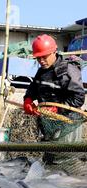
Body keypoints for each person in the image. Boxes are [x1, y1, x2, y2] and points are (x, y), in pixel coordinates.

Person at [23, 34, 86, 174]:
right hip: (49, 125)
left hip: (68, 124)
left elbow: (78, 98)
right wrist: (27, 100)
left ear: (54, 52)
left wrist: (57, 108)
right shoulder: (41, 71)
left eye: (44, 57)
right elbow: (33, 89)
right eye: (38, 58)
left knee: (66, 161)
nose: (41, 61)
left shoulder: (68, 71)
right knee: (51, 160)